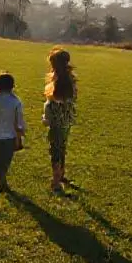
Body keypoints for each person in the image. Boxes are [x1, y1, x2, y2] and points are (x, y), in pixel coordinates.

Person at [42, 47, 78, 193]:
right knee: (62, 147)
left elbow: (53, 102)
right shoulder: (71, 79)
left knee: (55, 150)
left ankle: (56, 181)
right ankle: (61, 174)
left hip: (56, 123)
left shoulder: (58, 82)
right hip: (67, 122)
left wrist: (46, 118)